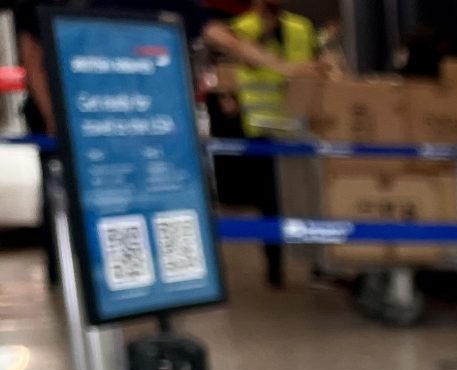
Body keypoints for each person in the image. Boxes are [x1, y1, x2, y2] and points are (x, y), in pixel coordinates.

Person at [8, 0, 320, 285]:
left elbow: (222, 37)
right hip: (73, 116)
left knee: (137, 201)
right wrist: (54, 117)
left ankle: (136, 281)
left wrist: (284, 68)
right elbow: (33, 56)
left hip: (134, 116)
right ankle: (64, 278)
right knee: (67, 200)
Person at [222, 0, 324, 286]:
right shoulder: (242, 28)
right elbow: (233, 70)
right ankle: (274, 268)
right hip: (261, 127)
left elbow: (316, 65)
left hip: (300, 126)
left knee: (309, 198)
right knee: (270, 202)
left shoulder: (302, 27)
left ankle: (317, 264)